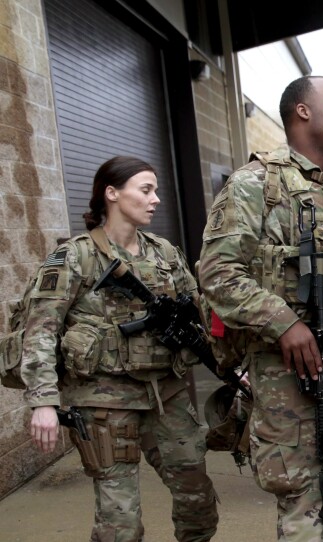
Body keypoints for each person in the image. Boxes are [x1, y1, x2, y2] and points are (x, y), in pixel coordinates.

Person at [198, 75, 323, 541]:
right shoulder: (255, 183)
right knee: (302, 503)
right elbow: (217, 273)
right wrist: (283, 324)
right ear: (302, 111)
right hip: (287, 377)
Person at [23, 156, 219, 541]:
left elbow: (201, 314)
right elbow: (40, 331)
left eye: (156, 190)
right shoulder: (75, 257)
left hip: (167, 393)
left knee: (199, 501)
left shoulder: (165, 253)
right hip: (104, 402)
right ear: (112, 194)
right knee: (120, 522)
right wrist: (42, 401)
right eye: (146, 190)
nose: (156, 199)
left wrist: (232, 363)